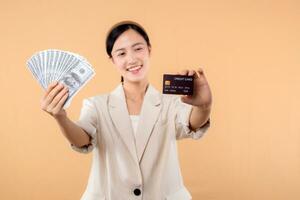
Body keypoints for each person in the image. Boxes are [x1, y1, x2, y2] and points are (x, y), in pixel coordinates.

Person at [40, 21, 212, 200]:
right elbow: (83, 139)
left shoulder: (171, 102)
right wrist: (60, 117)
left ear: (149, 50)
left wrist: (204, 106)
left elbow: (191, 122)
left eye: (138, 49)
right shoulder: (96, 105)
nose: (132, 59)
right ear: (112, 60)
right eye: (121, 53)